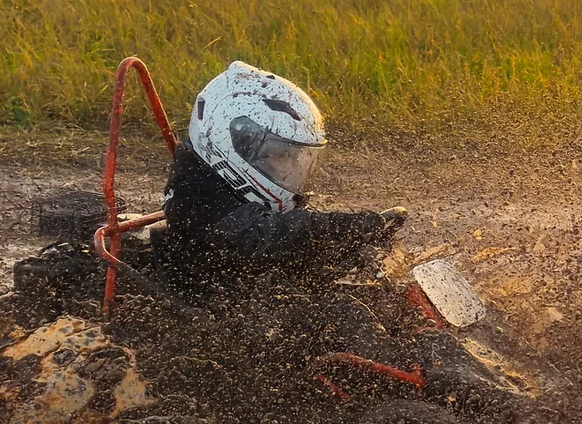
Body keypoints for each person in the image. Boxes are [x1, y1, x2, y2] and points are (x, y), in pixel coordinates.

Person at [161, 60, 403, 274]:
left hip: (254, 279)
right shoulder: (198, 202)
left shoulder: (229, 189)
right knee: (347, 314)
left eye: (295, 157)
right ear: (232, 143)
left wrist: (354, 243)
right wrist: (344, 226)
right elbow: (267, 235)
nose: (291, 167)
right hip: (211, 301)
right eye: (280, 156)